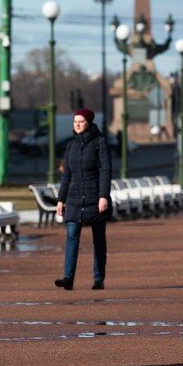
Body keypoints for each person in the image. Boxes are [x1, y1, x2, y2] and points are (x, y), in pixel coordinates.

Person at [55, 108, 111, 291]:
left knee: (98, 240)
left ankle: (98, 278)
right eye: (75, 121)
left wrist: (103, 196)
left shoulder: (99, 143)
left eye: (81, 121)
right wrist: (61, 200)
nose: (77, 124)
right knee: (71, 236)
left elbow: (105, 171)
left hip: (94, 197)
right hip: (74, 199)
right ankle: (68, 277)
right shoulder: (71, 145)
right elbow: (66, 175)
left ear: (89, 123)